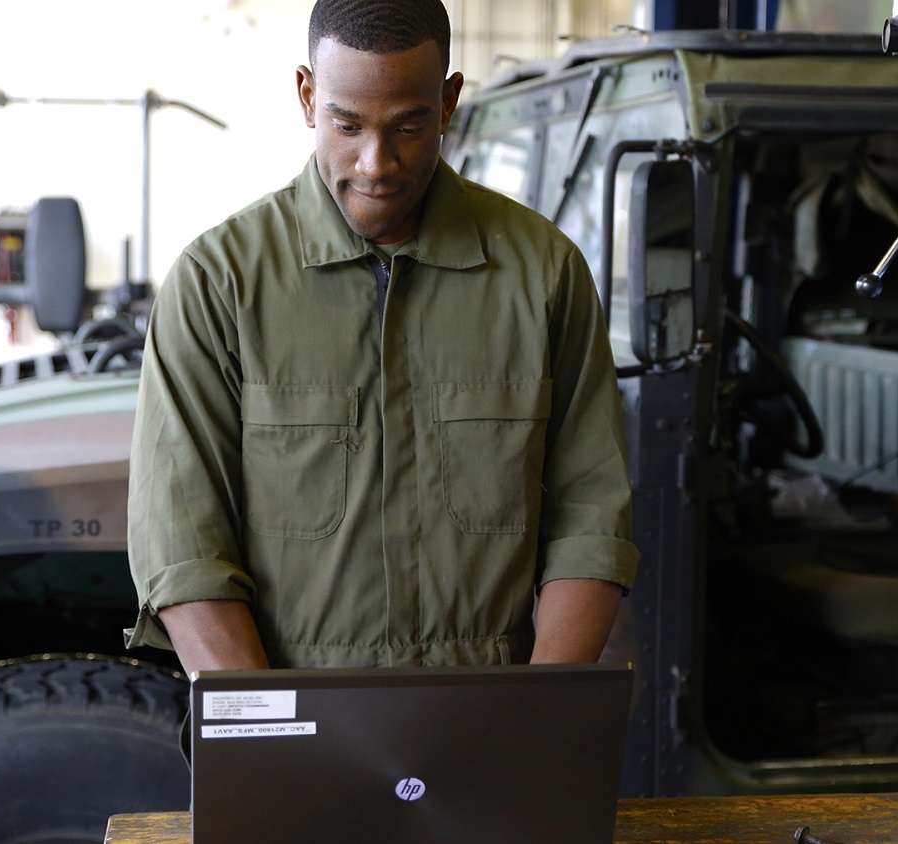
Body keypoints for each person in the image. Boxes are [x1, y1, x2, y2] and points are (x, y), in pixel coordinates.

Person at [125, 0, 637, 674]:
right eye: (347, 125)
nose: (376, 164)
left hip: (484, 712)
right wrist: (274, 734)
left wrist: (529, 724)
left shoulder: (543, 275)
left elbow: (591, 523)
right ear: (307, 96)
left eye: (409, 126)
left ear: (449, 102)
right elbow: (183, 547)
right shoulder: (218, 284)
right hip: (292, 714)